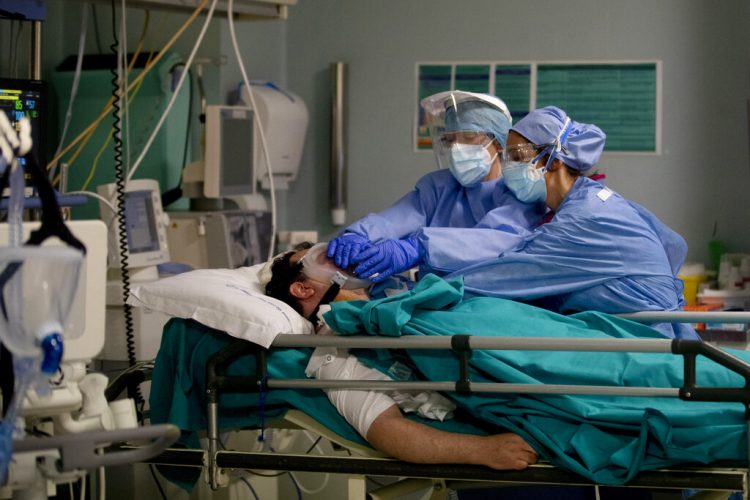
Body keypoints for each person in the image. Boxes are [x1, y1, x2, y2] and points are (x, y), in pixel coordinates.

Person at [264, 243, 538, 471]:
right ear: (302, 289)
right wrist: (483, 450)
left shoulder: (394, 295)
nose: (339, 256)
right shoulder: (335, 350)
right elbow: (385, 429)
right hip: (520, 376)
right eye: (322, 257)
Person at [430, 106, 695, 340]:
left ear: (555, 162)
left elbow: (512, 273)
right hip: (638, 328)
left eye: (518, 158)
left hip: (641, 337)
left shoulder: (585, 216)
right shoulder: (592, 199)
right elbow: (673, 244)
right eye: (507, 157)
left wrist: (429, 289)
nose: (508, 166)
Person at [327, 90, 547, 282]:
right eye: (450, 141)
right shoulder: (439, 186)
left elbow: (498, 240)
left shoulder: (520, 191)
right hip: (433, 299)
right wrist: (356, 235)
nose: (456, 149)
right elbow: (395, 219)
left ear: (498, 142)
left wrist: (421, 247)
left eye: (469, 137)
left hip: (490, 301)